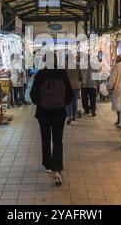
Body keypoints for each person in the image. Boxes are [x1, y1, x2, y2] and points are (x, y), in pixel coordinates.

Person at [30, 54, 73, 186]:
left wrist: (42, 103)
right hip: (59, 113)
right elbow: (70, 95)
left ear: (44, 60)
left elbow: (33, 95)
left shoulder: (40, 75)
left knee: (45, 139)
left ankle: (47, 164)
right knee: (58, 140)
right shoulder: (62, 74)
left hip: (43, 113)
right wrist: (61, 104)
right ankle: (57, 166)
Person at [107, 54, 121, 128]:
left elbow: (112, 79)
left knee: (118, 106)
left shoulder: (116, 67)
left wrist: (109, 87)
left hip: (118, 89)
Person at [65, 54, 82, 125]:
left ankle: (69, 116)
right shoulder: (78, 66)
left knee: (68, 102)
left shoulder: (64, 67)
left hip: (67, 86)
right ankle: (74, 116)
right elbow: (81, 77)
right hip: (76, 86)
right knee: (74, 101)